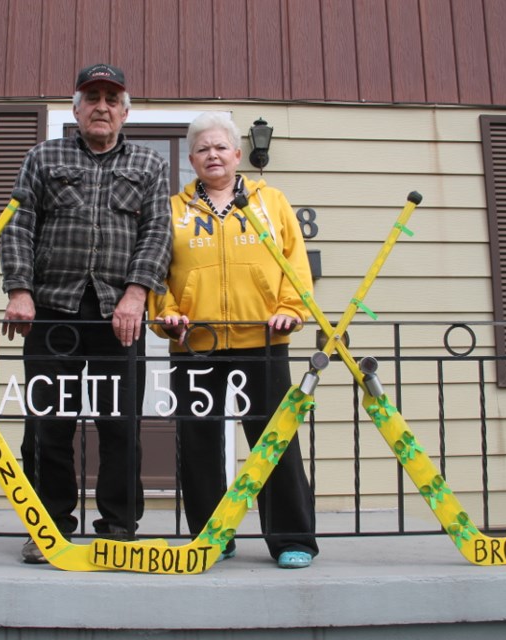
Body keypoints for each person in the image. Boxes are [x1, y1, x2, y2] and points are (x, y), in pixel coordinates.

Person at [0, 63, 172, 564]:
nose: (102, 106)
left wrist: (137, 294)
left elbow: (158, 233)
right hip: (51, 312)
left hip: (119, 316)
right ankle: (48, 528)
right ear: (75, 108)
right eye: (92, 97)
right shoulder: (42, 156)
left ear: (125, 111)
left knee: (119, 424)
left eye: (111, 99)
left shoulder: (148, 164)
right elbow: (18, 224)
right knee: (48, 423)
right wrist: (19, 289)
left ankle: (118, 527)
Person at [150, 111, 318, 569]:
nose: (213, 155)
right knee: (199, 443)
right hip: (194, 344)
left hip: (263, 341)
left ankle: (291, 539)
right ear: (191, 159)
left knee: (274, 442)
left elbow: (294, 264)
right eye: (203, 149)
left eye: (221, 147)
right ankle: (213, 536)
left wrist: (289, 310)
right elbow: (156, 275)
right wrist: (166, 315)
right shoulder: (171, 210)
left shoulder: (271, 201)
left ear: (238, 154)